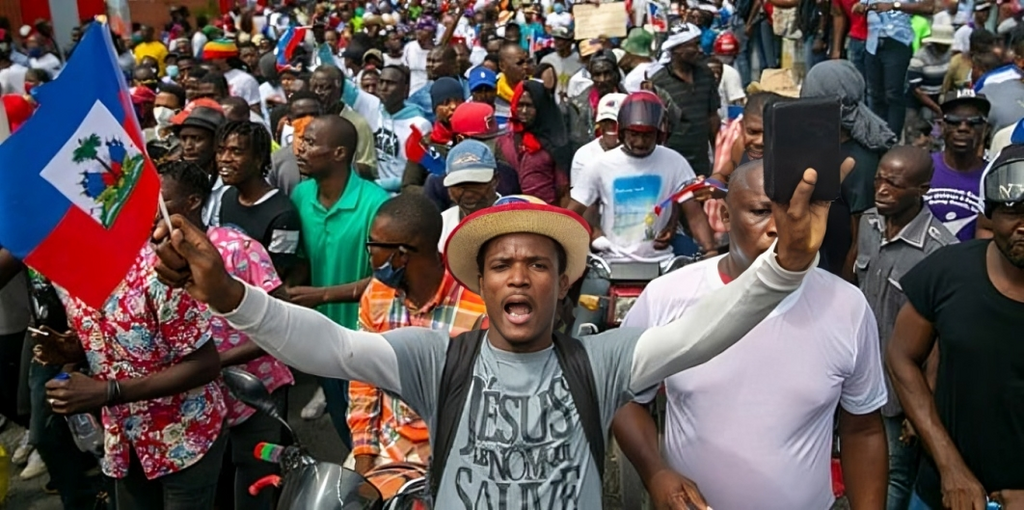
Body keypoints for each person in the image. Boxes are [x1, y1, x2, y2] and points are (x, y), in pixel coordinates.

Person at [150, 137, 833, 508]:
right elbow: (329, 346)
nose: (518, 275)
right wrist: (229, 294)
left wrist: (787, 264)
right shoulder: (434, 358)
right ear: (481, 282)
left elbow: (703, 331)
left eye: (538, 265)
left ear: (563, 286)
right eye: (502, 264)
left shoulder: (600, 362)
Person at [612, 159, 886, 510]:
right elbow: (623, 396)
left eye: (792, 211)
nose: (778, 227)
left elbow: (863, 429)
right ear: (725, 218)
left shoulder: (847, 307)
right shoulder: (668, 295)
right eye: (760, 211)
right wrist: (656, 473)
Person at [887, 144, 1024, 510]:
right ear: (991, 214)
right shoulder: (946, 271)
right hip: (941, 496)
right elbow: (901, 357)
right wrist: (951, 468)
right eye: (1012, 210)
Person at [43, 247, 227, 510]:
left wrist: (108, 391)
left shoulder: (157, 272)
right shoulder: (63, 276)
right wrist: (69, 362)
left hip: (186, 436)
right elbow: (95, 335)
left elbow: (205, 364)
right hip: (124, 444)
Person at [157, 160, 294, 510]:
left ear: (192, 203)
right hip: (196, 398)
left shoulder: (237, 248)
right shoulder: (154, 260)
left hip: (256, 388)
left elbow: (279, 317)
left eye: (162, 199)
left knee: (257, 478)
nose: (153, 209)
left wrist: (216, 363)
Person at [846, 146, 958, 510]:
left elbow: (941, 340)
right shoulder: (868, 223)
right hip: (857, 377)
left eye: (894, 184)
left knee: (892, 477)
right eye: (879, 179)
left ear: (921, 189)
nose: (881, 189)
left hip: (898, 396)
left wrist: (920, 412)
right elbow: (850, 286)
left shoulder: (940, 252)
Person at [348, 193, 487, 481]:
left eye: (374, 245)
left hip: (455, 457)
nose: (370, 254)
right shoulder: (377, 295)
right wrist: (364, 457)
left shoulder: (478, 307)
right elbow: (364, 380)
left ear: (401, 255)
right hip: (388, 447)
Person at [287, 114, 390, 447]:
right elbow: (301, 260)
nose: (300, 149)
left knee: (370, 434)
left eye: (312, 143)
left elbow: (387, 282)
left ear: (340, 153)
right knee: (343, 425)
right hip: (321, 345)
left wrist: (323, 295)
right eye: (302, 141)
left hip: (365, 344)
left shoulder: (377, 205)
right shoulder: (301, 196)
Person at [570, 91, 716, 261]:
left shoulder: (675, 162)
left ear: (659, 133)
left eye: (647, 135)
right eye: (634, 134)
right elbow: (571, 214)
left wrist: (710, 251)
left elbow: (694, 214)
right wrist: (592, 234)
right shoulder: (599, 165)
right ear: (623, 131)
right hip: (610, 263)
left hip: (662, 262)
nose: (640, 142)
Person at [801, 60, 898, 277]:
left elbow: (861, 238)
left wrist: (844, 286)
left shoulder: (858, 162)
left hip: (837, 271)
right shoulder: (821, 143)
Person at [215, 120, 303, 283]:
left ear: (258, 159)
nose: (225, 159)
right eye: (221, 151)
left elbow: (275, 277)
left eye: (236, 152)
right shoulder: (227, 197)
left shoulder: (282, 215)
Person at [854, 0, 936, 137]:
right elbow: (857, 7)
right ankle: (876, 137)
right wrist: (860, 7)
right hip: (873, 43)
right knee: (874, 95)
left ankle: (892, 139)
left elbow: (929, 6)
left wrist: (895, 5)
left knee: (893, 94)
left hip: (897, 41)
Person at [651, 24, 721, 178]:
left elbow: (712, 116)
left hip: (701, 159)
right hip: (671, 161)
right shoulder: (659, 81)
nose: (699, 50)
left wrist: (717, 153)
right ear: (677, 50)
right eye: (693, 45)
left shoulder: (705, 75)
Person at [925, 92, 989, 241]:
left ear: (985, 129)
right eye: (954, 121)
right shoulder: (921, 167)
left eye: (974, 122)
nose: (963, 128)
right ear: (941, 126)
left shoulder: (992, 176)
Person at [496, 80, 570, 205]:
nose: (524, 111)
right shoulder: (504, 141)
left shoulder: (556, 143)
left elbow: (563, 190)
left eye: (529, 106)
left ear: (540, 107)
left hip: (545, 215)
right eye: (520, 105)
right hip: (510, 214)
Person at [307, 65, 379, 180]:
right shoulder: (307, 120)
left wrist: (333, 165)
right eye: (314, 87)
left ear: (339, 90)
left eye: (325, 87)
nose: (318, 92)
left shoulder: (357, 123)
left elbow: (369, 168)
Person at [401, 77, 466, 192]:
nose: (453, 107)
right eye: (446, 103)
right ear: (435, 109)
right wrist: (433, 193)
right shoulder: (424, 145)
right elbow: (408, 186)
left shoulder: (474, 139)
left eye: (458, 101)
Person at [373, 65, 432, 193]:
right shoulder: (373, 114)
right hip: (374, 194)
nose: (383, 88)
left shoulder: (420, 125)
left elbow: (419, 175)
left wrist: (380, 184)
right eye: (381, 82)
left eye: (390, 83)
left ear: (405, 89)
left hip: (402, 196)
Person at [438, 140, 503, 251]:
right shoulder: (441, 225)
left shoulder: (516, 219)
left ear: (495, 180)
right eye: (460, 186)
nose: (468, 194)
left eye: (476, 184)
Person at [170, 100, 228, 226]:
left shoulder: (228, 185)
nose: (188, 146)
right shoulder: (174, 181)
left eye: (197, 139)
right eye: (184, 139)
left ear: (216, 142)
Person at [564, 51, 627, 155]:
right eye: (597, 75)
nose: (602, 79)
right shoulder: (577, 105)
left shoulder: (628, 102)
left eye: (607, 73)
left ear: (616, 73)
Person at [905, 25, 953, 140]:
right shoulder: (920, 57)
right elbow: (916, 90)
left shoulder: (949, 54)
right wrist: (936, 109)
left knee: (937, 135)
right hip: (917, 100)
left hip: (938, 97)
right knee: (914, 134)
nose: (945, 47)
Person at [570, 93, 627, 187]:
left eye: (615, 123)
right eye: (605, 122)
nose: (610, 127)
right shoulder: (584, 154)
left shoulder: (637, 155)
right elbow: (578, 196)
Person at [407, 46, 466, 123]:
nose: (429, 65)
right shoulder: (419, 96)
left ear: (451, 63)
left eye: (435, 61)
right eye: (428, 61)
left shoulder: (469, 88)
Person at [203, 39, 262, 114]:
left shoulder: (245, 80)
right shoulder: (206, 79)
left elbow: (254, 110)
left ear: (223, 59)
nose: (208, 62)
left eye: (210, 59)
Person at [539, 26, 582, 103]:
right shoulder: (547, 60)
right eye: (555, 38)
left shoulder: (579, 60)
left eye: (560, 39)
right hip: (552, 104)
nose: (556, 41)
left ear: (569, 41)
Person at [403, 17, 435, 93]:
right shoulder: (409, 47)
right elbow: (406, 74)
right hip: (413, 93)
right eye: (417, 29)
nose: (419, 32)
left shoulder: (435, 51)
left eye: (422, 29)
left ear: (431, 32)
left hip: (429, 93)